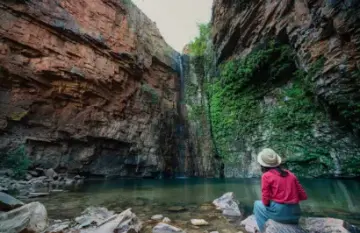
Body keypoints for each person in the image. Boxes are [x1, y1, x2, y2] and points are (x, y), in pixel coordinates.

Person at [253, 148, 307, 232]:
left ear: (262, 164)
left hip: (281, 214)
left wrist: (273, 203)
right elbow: (303, 195)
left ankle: (264, 230)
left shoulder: (266, 176)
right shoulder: (290, 174)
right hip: (296, 213)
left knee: (257, 204)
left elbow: (265, 199)